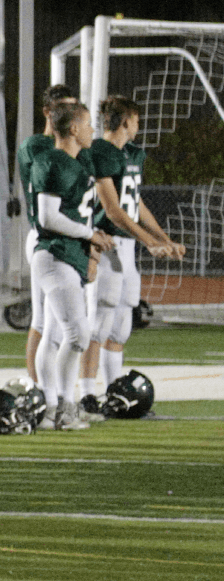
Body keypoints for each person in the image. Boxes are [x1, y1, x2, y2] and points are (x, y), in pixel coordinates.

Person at [82, 96, 182, 409]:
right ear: (126, 121)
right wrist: (150, 241)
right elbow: (113, 210)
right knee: (99, 322)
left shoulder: (132, 154)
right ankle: (86, 395)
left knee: (122, 322)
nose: (139, 126)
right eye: (136, 120)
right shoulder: (100, 151)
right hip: (106, 243)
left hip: (126, 246)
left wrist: (163, 238)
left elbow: (134, 202)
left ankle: (115, 392)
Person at [27, 101, 113, 429]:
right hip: (55, 254)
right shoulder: (52, 161)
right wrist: (90, 235)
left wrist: (90, 250)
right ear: (74, 128)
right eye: (88, 124)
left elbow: (78, 215)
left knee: (54, 336)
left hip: (69, 255)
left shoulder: (75, 163)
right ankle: (64, 407)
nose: (92, 130)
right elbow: (48, 217)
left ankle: (50, 409)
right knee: (78, 334)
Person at [19, 85, 77, 381]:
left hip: (68, 237)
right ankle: (36, 385)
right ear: (47, 112)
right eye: (63, 108)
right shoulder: (37, 146)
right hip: (45, 236)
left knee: (66, 322)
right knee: (43, 320)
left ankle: (54, 387)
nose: (70, 114)